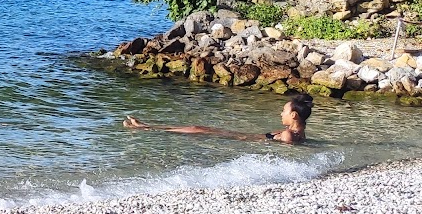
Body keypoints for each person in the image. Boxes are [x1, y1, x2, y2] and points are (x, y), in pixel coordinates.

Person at [124, 94, 311, 144]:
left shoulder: (289, 135)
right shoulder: (299, 134)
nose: (281, 113)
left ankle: (144, 127)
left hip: (241, 139)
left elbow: (284, 147)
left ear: (293, 115)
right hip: (243, 136)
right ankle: (146, 126)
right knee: (196, 127)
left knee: (196, 129)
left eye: (284, 111)